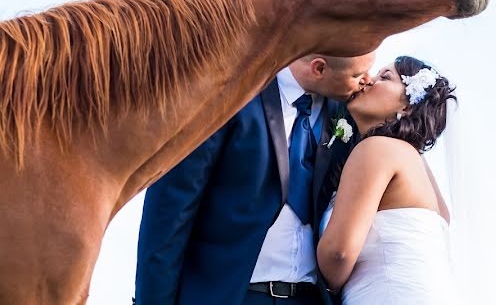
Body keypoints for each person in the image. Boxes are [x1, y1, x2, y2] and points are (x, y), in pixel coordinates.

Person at [134, 52, 375, 305]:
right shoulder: (228, 93)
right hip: (226, 296)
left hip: (311, 298)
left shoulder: (347, 113)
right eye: (358, 75)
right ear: (319, 68)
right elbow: (170, 212)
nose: (367, 80)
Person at [317, 56, 456, 305]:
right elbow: (442, 221)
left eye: (385, 77)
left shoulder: (377, 148)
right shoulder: (411, 159)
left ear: (407, 107)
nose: (367, 80)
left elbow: (339, 254)